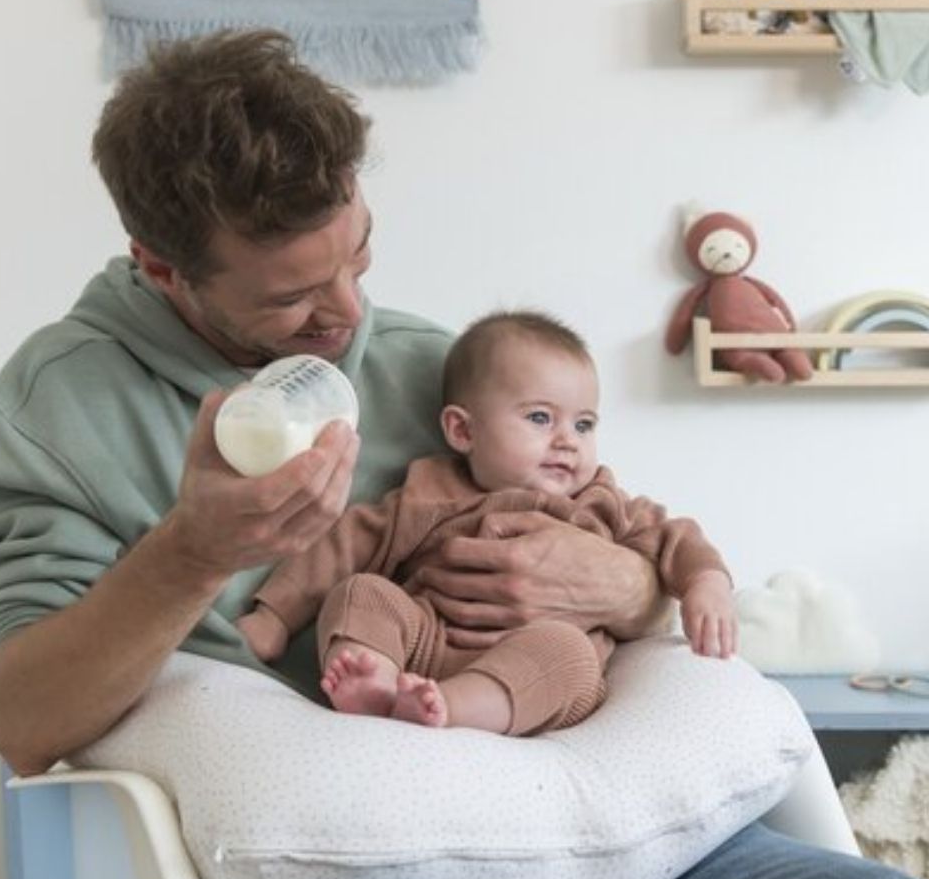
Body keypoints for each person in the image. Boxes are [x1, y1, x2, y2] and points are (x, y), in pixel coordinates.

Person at [0, 30, 929, 879]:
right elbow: (26, 721)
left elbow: (620, 534)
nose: (345, 313)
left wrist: (625, 587)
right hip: (316, 864)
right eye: (291, 296)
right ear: (162, 267)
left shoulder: (441, 369)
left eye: (359, 256)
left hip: (531, 800)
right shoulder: (55, 412)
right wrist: (194, 553)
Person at [239, 310, 736, 735]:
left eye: (584, 424)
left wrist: (706, 583)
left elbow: (677, 539)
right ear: (462, 430)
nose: (568, 440)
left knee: (570, 656)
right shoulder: (428, 492)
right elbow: (340, 546)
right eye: (541, 418)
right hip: (425, 638)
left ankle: (448, 708)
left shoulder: (602, 502)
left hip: (529, 664)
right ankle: (377, 684)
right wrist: (274, 616)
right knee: (361, 591)